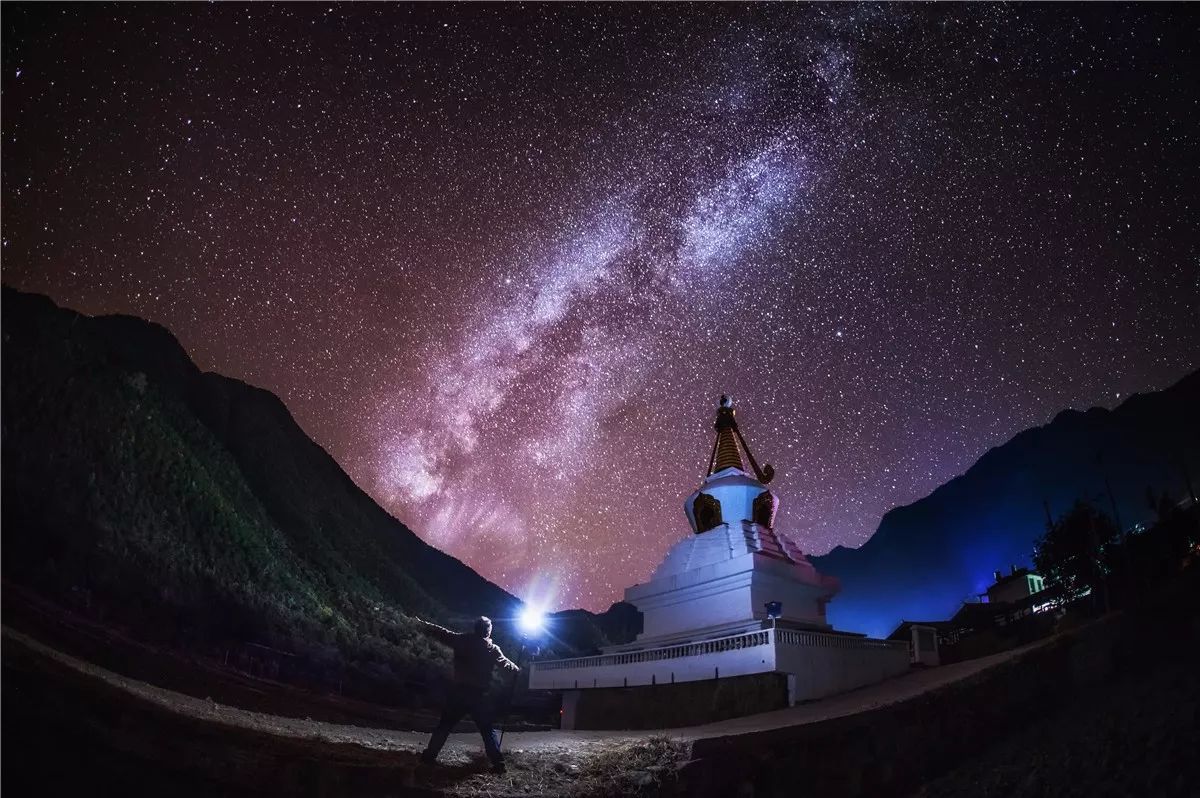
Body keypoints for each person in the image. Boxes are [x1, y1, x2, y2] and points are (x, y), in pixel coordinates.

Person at [415, 615, 520, 774]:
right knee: (487, 729)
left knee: (445, 725)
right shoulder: (492, 649)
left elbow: (441, 633)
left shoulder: (461, 640)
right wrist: (517, 669)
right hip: (479, 696)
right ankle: (498, 764)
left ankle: (429, 756)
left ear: (475, 628)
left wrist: (423, 624)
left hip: (459, 692)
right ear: (488, 632)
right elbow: (506, 664)